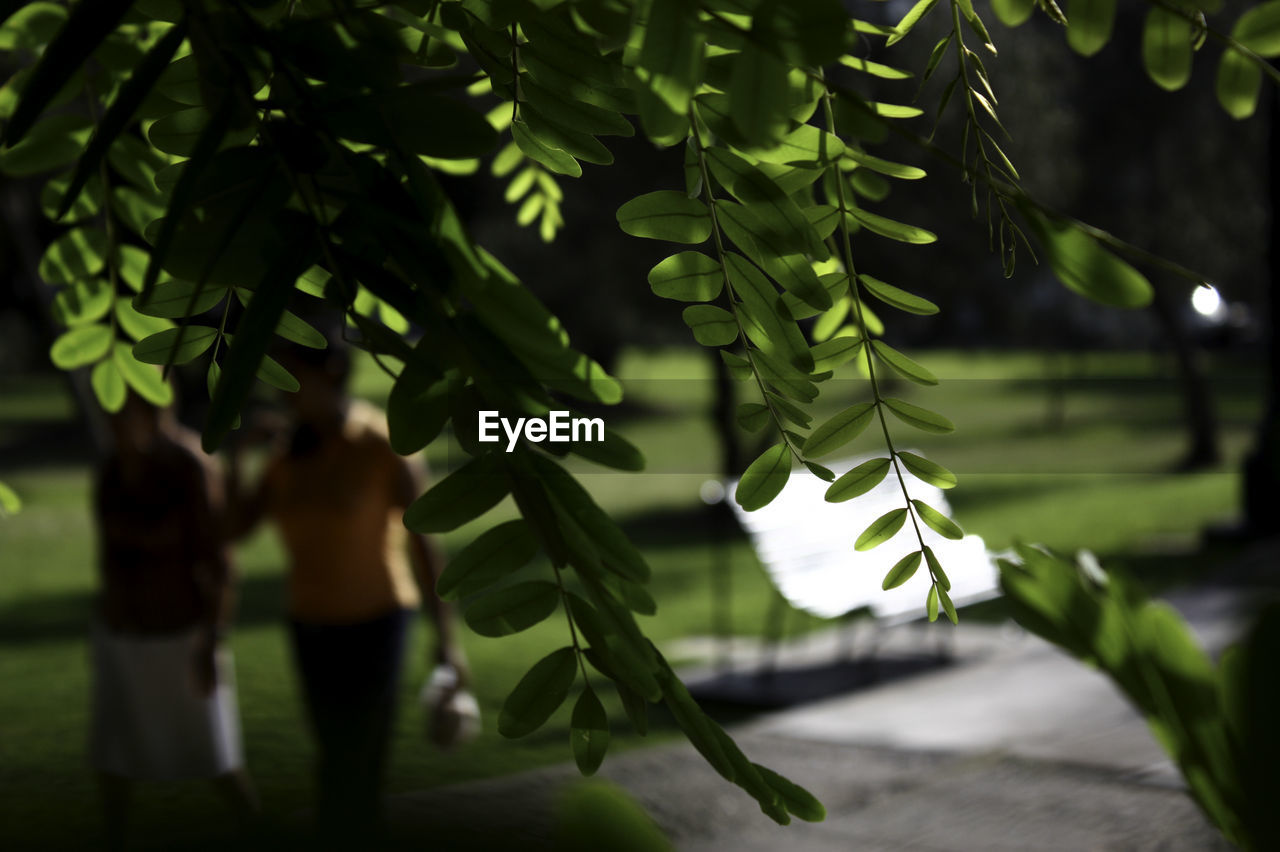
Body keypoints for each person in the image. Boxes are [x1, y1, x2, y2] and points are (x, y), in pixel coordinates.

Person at [226, 340, 470, 845]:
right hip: (310, 624)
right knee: (334, 756)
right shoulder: (286, 454)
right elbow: (233, 529)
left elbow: (426, 543)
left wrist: (446, 637)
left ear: (331, 372)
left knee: (355, 759)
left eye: (293, 377)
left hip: (377, 622)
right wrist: (238, 459)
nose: (282, 390)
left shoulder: (380, 442)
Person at [90, 391, 257, 851]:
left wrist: (213, 638)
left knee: (216, 757)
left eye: (125, 409)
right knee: (113, 756)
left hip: (181, 631)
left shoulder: (189, 466)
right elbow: (108, 554)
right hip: (124, 631)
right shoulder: (111, 470)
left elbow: (220, 561)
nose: (115, 420)